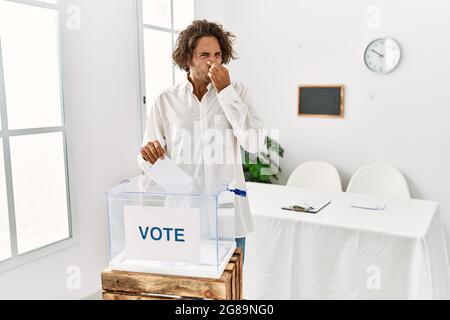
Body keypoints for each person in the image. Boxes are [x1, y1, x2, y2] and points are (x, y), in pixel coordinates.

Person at [138, 19, 264, 261]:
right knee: (189, 292)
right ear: (187, 59)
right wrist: (176, 182)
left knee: (228, 294)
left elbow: (254, 143)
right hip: (183, 219)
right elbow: (147, 159)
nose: (213, 61)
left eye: (218, 55)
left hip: (229, 218)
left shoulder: (237, 93)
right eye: (205, 54)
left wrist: (226, 92)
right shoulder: (165, 101)